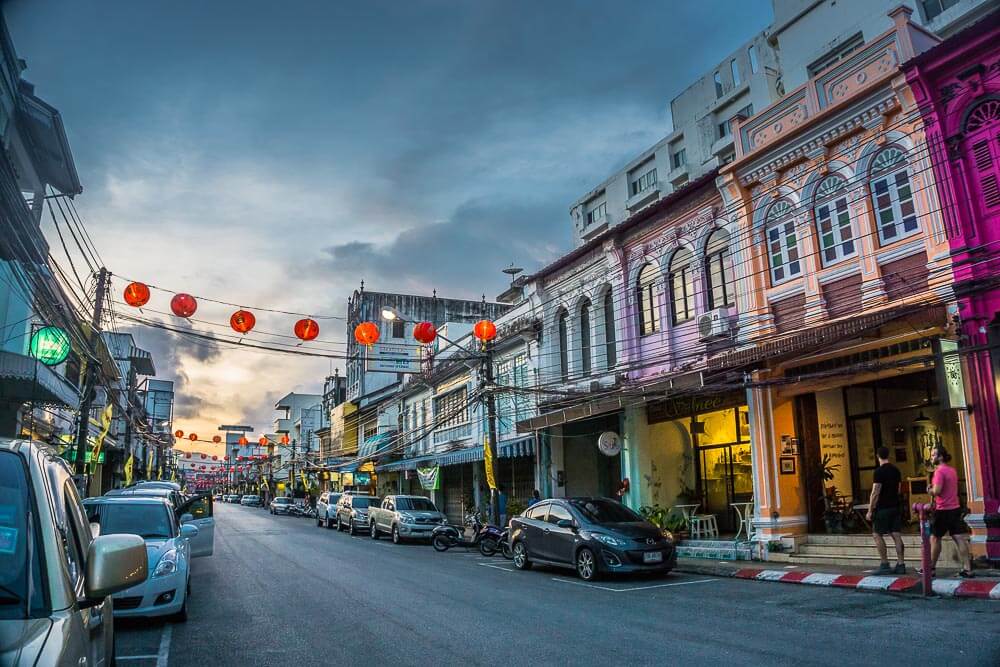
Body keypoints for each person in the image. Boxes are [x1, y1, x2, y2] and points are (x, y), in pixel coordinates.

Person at [924, 445, 974, 578]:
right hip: (955, 507)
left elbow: (937, 491)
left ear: (940, 457)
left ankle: (931, 568)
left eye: (934, 455)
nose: (932, 457)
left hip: (943, 509)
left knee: (935, 538)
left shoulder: (939, 472)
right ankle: (967, 568)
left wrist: (929, 489)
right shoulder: (952, 470)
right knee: (958, 537)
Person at [865, 446, 905, 574]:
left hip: (883, 508)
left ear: (878, 456)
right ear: (888, 455)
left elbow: (875, 492)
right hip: (895, 506)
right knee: (896, 535)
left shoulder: (879, 472)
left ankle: (884, 563)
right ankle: (901, 563)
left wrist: (870, 510)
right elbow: (899, 489)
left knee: (877, 534)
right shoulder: (896, 470)